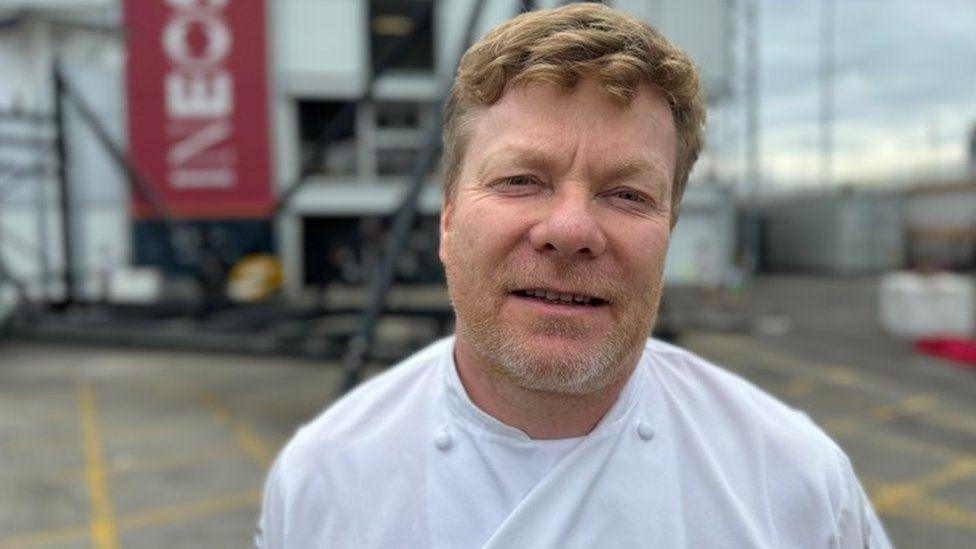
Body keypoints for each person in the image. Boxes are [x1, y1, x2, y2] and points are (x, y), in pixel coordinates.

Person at [256, 4, 891, 547]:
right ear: (447, 222)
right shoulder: (321, 479)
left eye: (628, 195)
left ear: (668, 232)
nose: (571, 229)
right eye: (520, 181)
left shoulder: (800, 487)